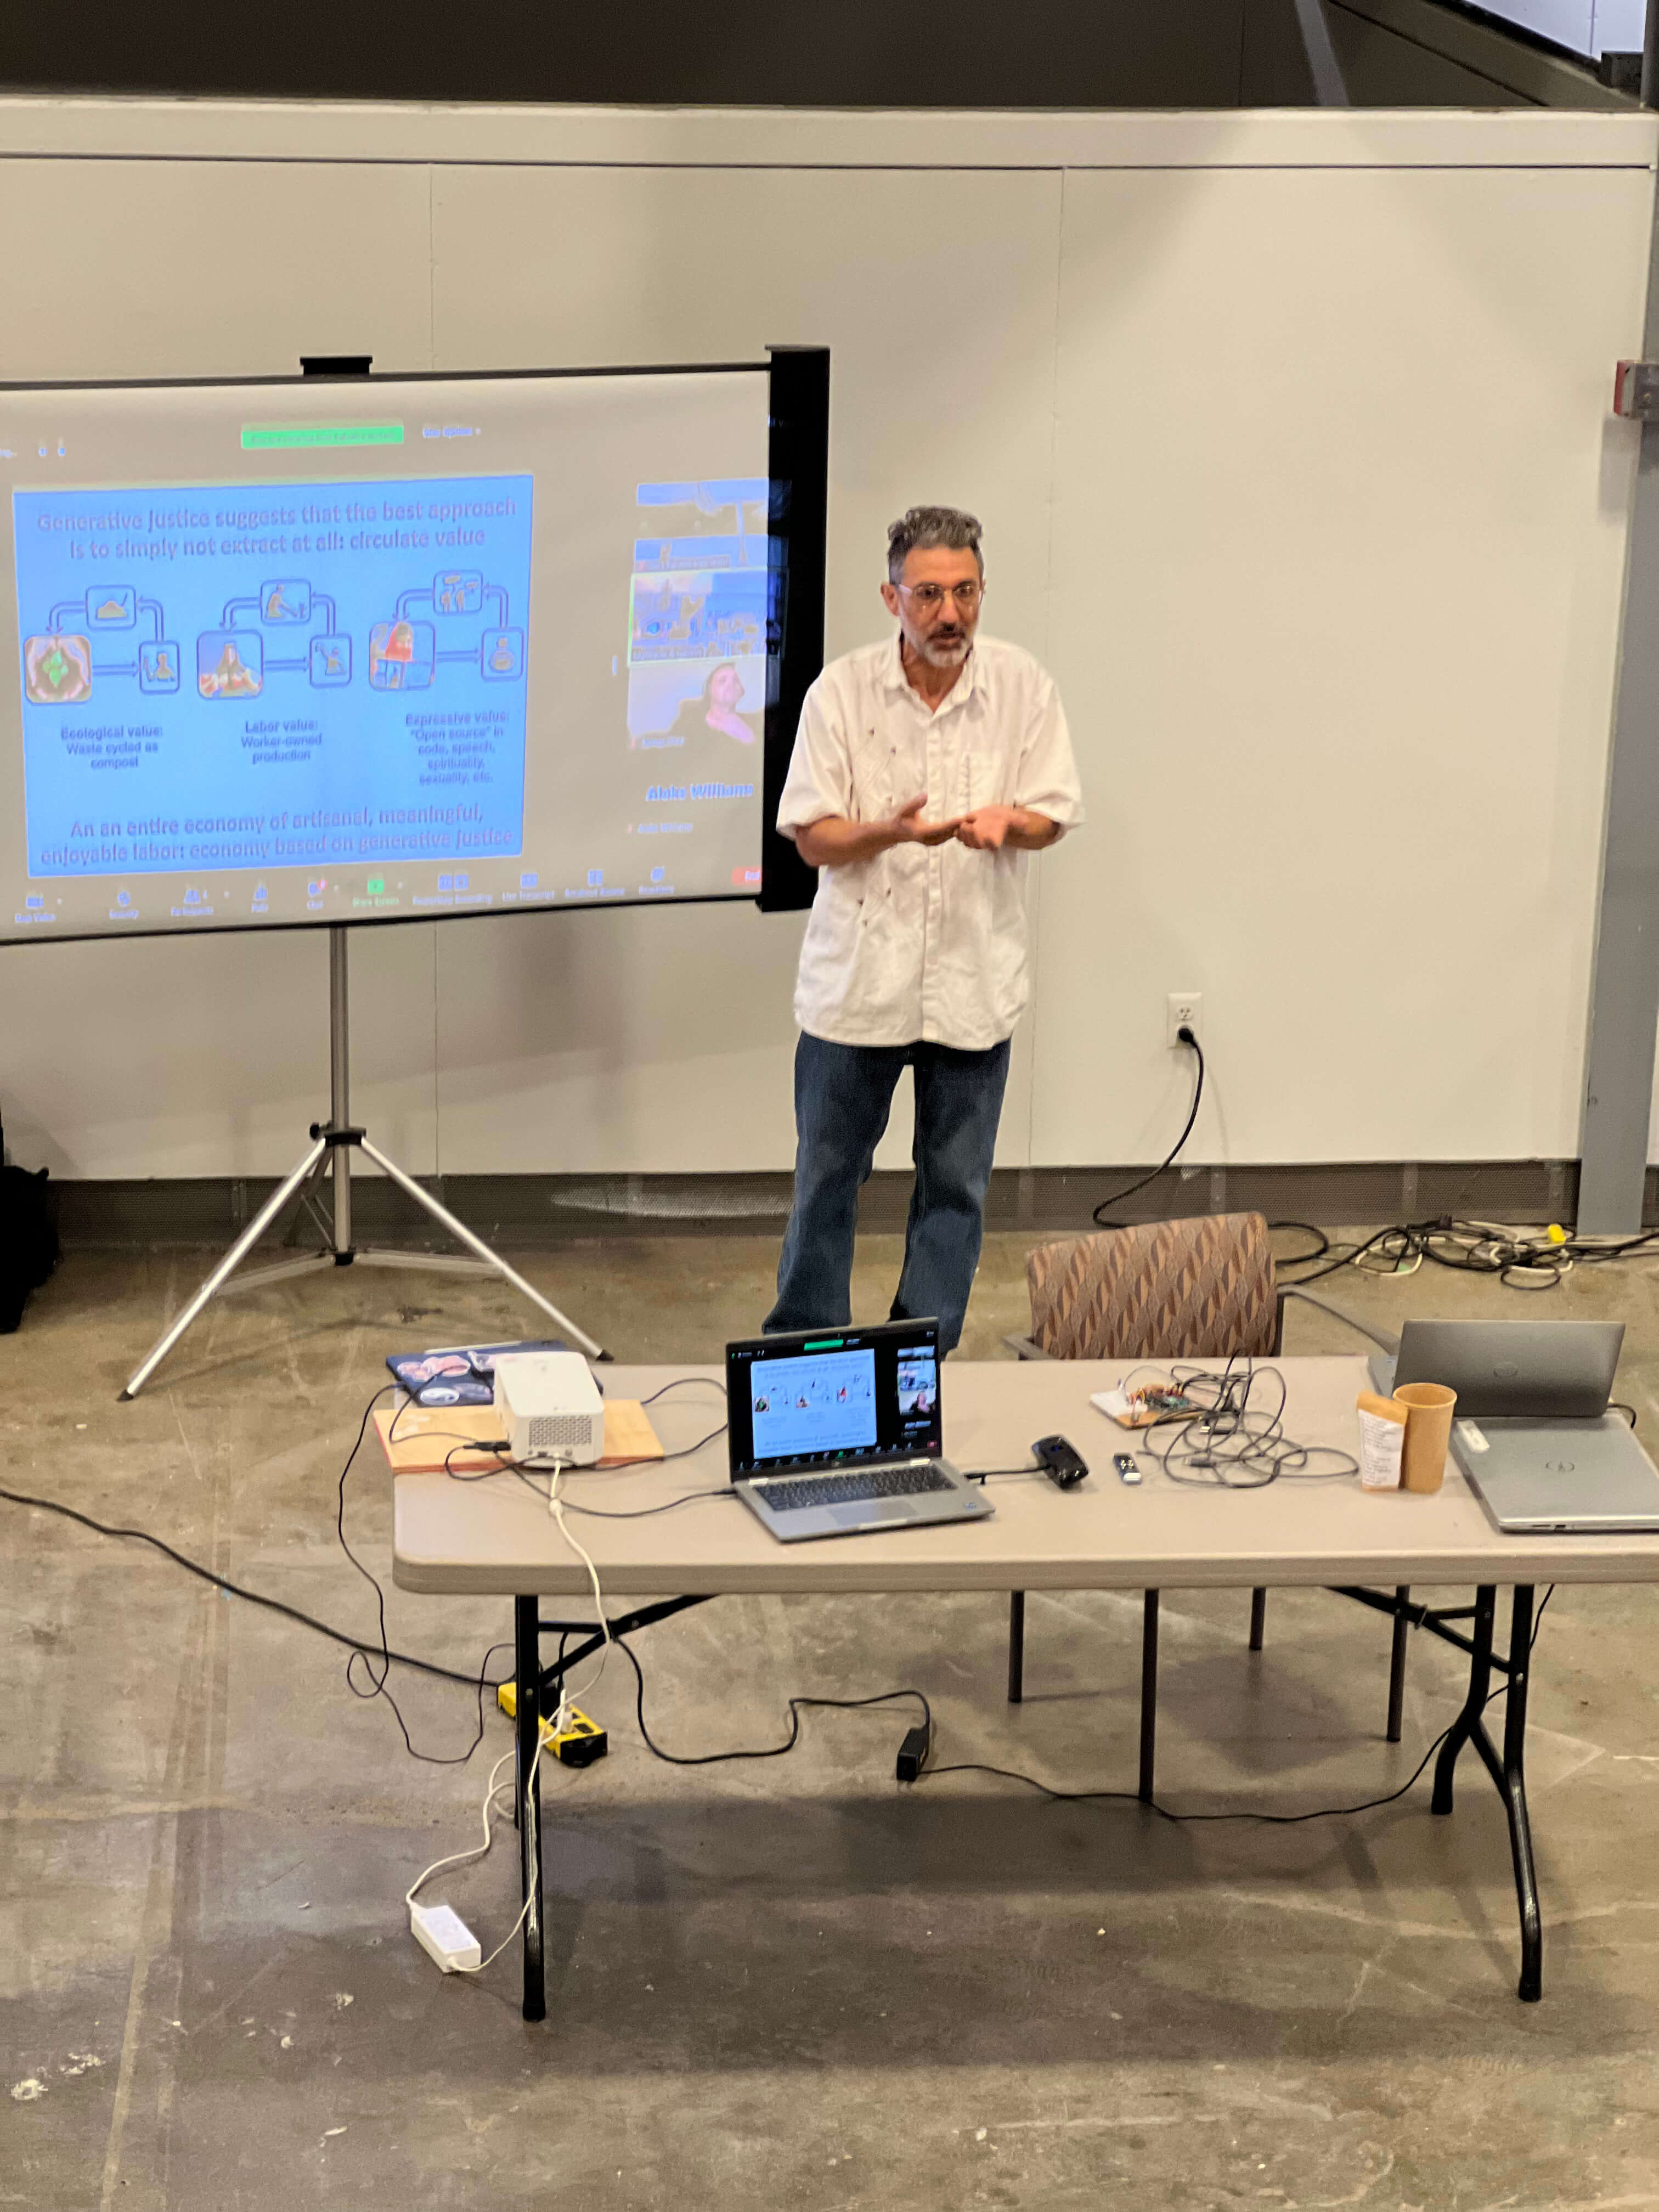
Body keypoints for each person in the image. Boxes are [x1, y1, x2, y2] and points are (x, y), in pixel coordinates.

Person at [766, 505, 1083, 1353]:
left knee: (956, 1189)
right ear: (891, 596)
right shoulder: (840, 693)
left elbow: (1052, 815)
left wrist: (1008, 825)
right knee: (827, 1181)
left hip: (973, 982)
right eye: (931, 594)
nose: (952, 614)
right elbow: (810, 836)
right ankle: (806, 1352)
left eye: (967, 592)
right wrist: (893, 833)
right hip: (858, 987)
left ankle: (918, 1362)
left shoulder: (1022, 687)